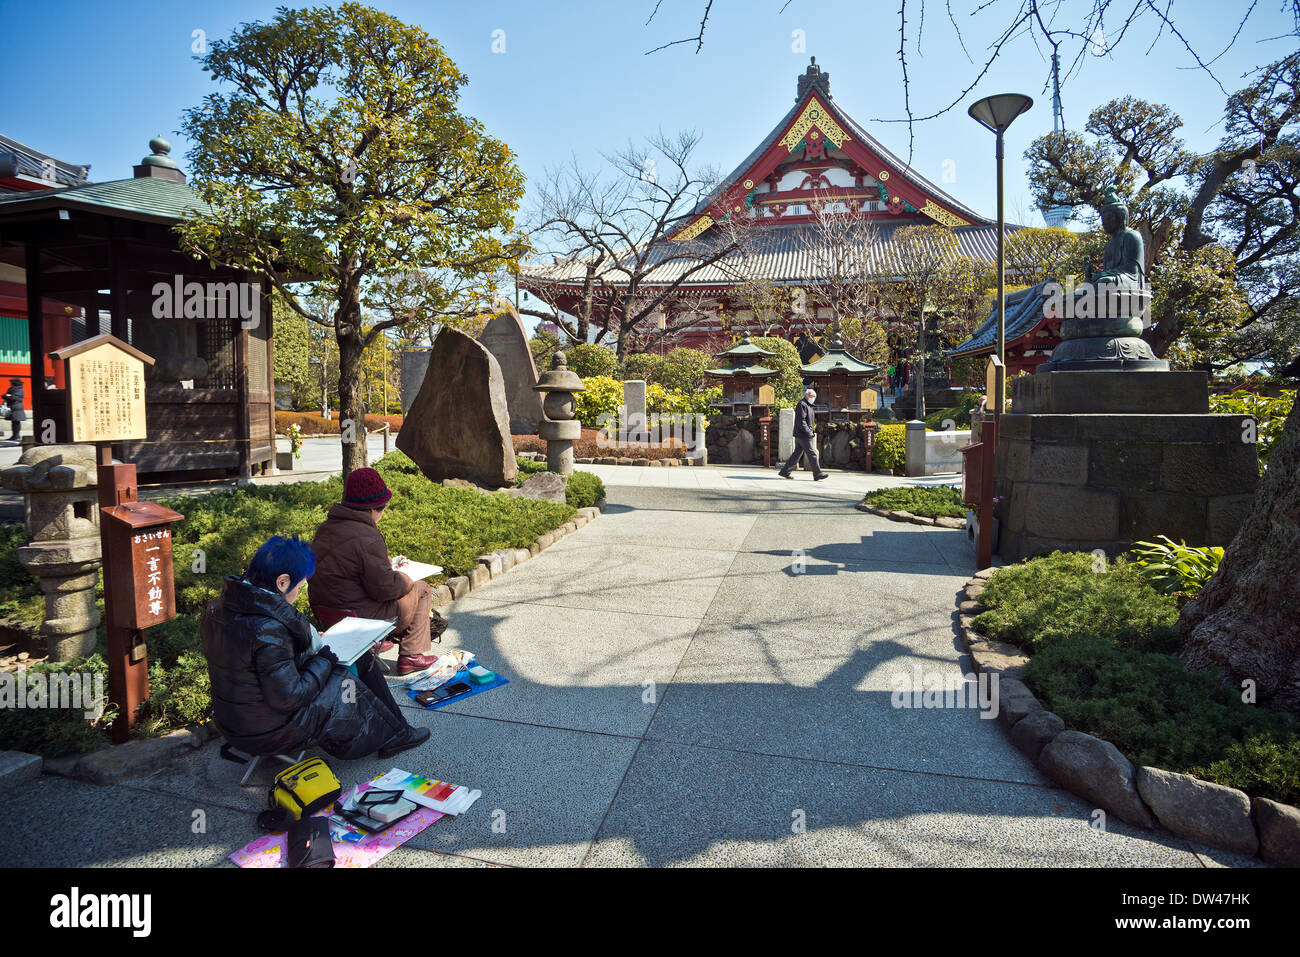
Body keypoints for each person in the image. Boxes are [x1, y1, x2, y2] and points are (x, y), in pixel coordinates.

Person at [201, 536, 430, 761]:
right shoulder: (268, 630)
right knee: (346, 676)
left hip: (232, 724)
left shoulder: (217, 609)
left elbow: (251, 663)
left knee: (348, 663)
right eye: (299, 587)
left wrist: (302, 646)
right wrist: (323, 660)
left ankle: (397, 730)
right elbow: (290, 697)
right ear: (282, 582)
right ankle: (397, 733)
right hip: (267, 732)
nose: (298, 593)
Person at [310, 467, 441, 676]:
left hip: (326, 613)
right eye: (383, 509)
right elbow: (385, 589)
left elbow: (347, 566)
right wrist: (406, 578)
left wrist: (386, 563)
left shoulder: (326, 528)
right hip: (358, 618)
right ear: (373, 509)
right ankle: (412, 656)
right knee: (422, 588)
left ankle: (372, 644)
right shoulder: (367, 536)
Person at [778, 387, 828, 481]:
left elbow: (809, 421)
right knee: (812, 453)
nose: (814, 398)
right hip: (803, 434)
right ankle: (817, 473)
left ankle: (785, 471)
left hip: (803, 433)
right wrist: (808, 432)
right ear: (807, 395)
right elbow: (801, 421)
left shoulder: (808, 405)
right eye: (813, 396)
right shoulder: (802, 404)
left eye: (815, 397)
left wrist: (811, 430)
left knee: (796, 454)